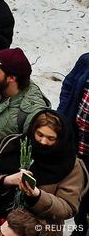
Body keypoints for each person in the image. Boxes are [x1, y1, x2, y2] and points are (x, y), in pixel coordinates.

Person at [0, 109, 87, 236]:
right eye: (39, 135)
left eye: (51, 138)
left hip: (39, 230)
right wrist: (7, 180)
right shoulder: (15, 144)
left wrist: (37, 196)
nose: (43, 142)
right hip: (2, 221)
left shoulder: (71, 165)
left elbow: (68, 207)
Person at [57, 52, 89, 231]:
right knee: (77, 193)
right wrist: (62, 116)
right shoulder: (86, 61)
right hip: (76, 145)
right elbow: (68, 85)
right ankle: (80, 227)